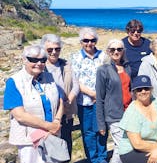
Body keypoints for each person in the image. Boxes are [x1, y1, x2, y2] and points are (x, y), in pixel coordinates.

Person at [3, 45, 64, 163]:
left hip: (52, 134)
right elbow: (20, 115)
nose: (39, 63)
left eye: (43, 60)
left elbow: (60, 100)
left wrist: (56, 121)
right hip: (30, 139)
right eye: (34, 60)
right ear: (24, 60)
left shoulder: (49, 77)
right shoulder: (14, 82)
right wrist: (49, 126)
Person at [118, 75, 157, 163]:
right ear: (134, 92)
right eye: (139, 89)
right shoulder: (132, 112)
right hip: (132, 150)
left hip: (152, 145)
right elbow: (137, 144)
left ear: (151, 89)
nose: (143, 91)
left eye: (146, 88)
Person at [71, 27, 108, 163]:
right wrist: (92, 94)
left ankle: (102, 157)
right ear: (81, 41)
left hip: (102, 102)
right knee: (88, 132)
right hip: (85, 102)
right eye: (86, 40)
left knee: (102, 130)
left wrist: (99, 96)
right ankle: (93, 159)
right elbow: (75, 80)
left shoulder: (103, 56)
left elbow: (108, 77)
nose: (89, 43)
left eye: (92, 40)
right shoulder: (76, 58)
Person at [41, 34, 80, 161]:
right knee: (49, 148)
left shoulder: (66, 64)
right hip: (47, 115)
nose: (54, 52)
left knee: (65, 146)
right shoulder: (40, 66)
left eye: (57, 49)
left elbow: (76, 85)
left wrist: (70, 98)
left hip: (66, 113)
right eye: (50, 49)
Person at [96, 39, 134, 163]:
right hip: (114, 116)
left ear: (123, 51)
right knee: (122, 146)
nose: (116, 52)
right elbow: (100, 98)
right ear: (108, 51)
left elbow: (131, 90)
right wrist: (101, 124)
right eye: (112, 49)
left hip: (129, 113)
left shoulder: (127, 67)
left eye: (119, 49)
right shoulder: (103, 70)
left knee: (121, 147)